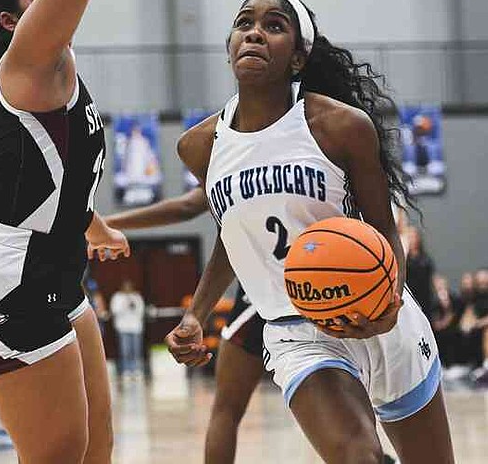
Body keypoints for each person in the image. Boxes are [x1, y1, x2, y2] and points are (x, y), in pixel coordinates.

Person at [162, 0, 454, 463]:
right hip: (296, 331)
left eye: (274, 25)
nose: (254, 32)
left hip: (379, 318)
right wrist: (196, 312)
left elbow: (382, 229)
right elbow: (232, 236)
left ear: (298, 57)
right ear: (231, 44)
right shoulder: (199, 146)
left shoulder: (339, 125)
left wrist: (391, 299)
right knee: (357, 456)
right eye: (244, 23)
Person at [0, 0, 130, 462]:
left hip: (59, 271)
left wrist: (94, 226)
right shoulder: (27, 60)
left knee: (97, 449)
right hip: (10, 280)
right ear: (10, 21)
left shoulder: (57, 67)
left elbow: (39, 179)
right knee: (58, 457)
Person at [105, 188, 399, 463]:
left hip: (275, 297)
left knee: (227, 409)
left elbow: (190, 205)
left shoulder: (232, 150)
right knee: (346, 402)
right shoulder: (309, 146)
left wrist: (106, 224)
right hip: (319, 294)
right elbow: (195, 208)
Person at [109, 281, 146, 380]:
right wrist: (125, 304)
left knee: (136, 350)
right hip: (123, 327)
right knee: (125, 351)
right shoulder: (117, 297)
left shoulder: (136, 296)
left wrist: (133, 304)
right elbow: (114, 311)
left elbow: (141, 311)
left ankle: (136, 370)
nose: (127, 288)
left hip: (136, 328)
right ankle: (126, 370)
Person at [404, 226, 435, 312]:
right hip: (408, 300)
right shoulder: (405, 259)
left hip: (422, 299)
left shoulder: (425, 260)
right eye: (408, 237)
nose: (410, 240)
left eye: (412, 237)